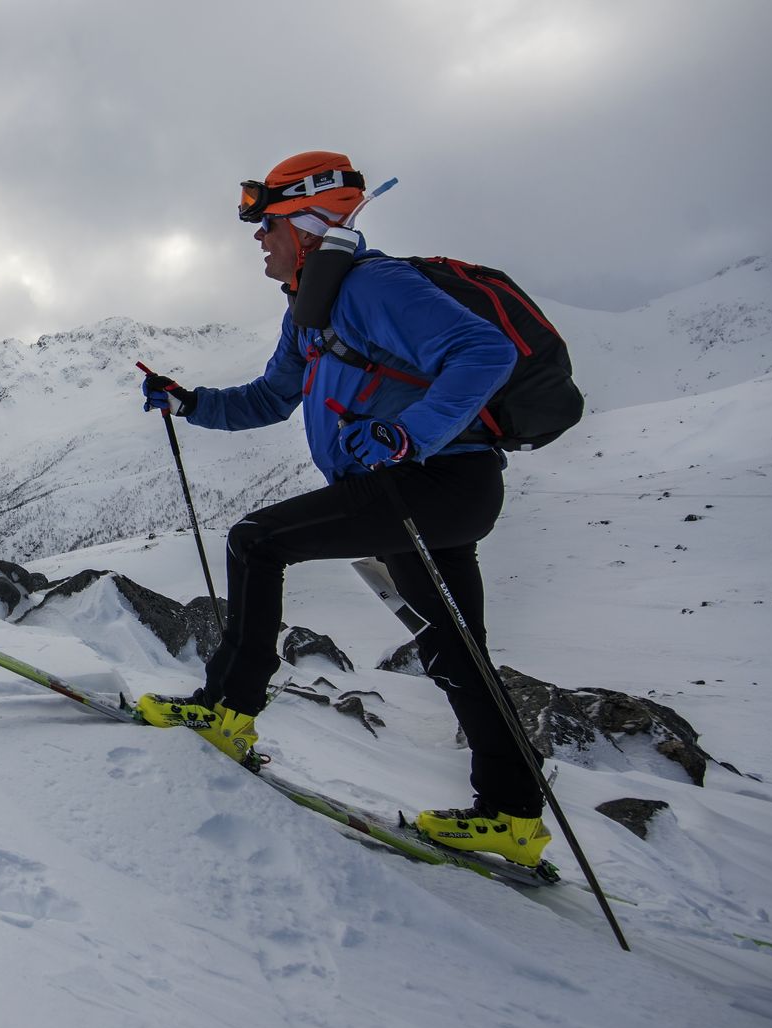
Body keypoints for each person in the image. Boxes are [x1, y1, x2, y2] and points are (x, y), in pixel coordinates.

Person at [136, 150, 551, 868]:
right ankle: (511, 817)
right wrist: (191, 403)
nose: (258, 241)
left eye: (266, 226)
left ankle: (227, 712)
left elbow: (484, 352)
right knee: (454, 649)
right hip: (440, 493)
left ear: (306, 222)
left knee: (255, 540)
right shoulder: (313, 312)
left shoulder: (371, 286)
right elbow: (271, 397)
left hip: (432, 482)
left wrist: (407, 434)